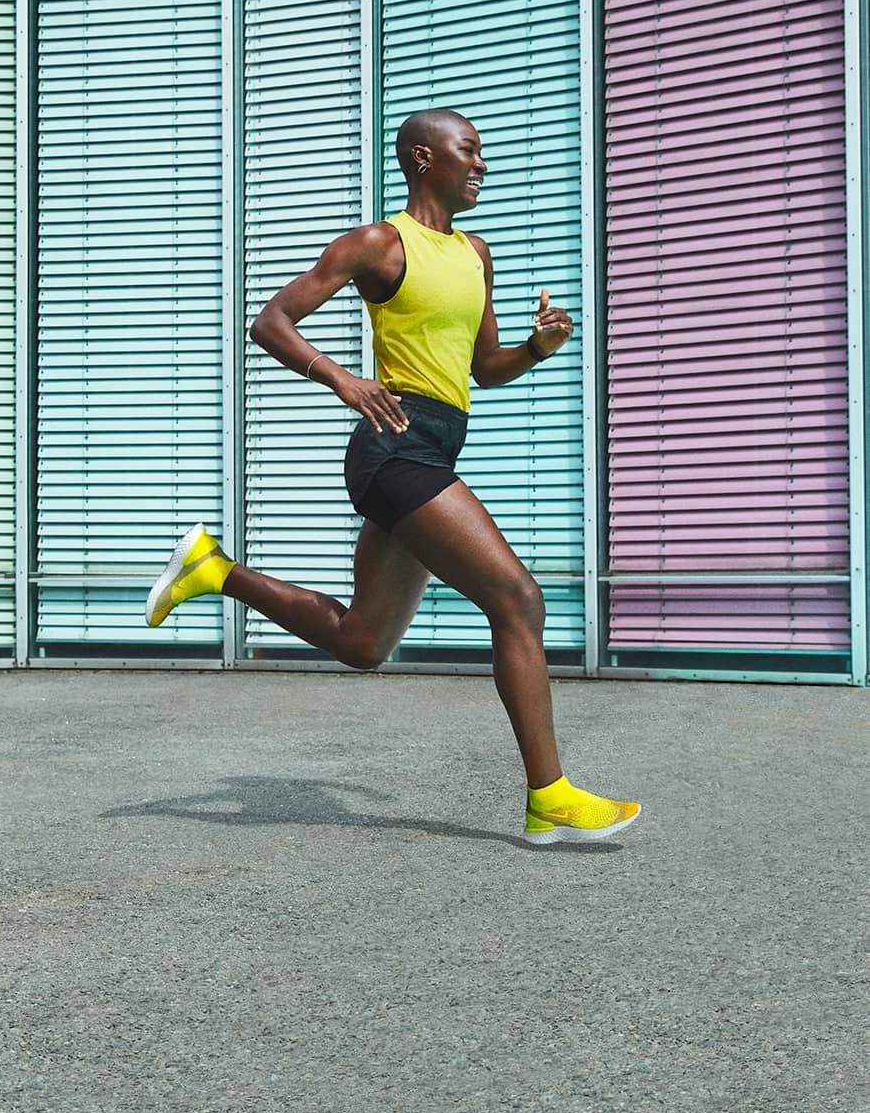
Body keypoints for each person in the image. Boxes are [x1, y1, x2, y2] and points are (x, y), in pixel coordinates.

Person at [145, 108, 640, 845]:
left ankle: (213, 570)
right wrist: (342, 379)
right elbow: (272, 320)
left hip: (437, 445)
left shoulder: (476, 252)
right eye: (468, 151)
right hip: (394, 449)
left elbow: (482, 369)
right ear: (421, 158)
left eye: (482, 152)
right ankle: (551, 799)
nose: (482, 164)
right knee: (518, 598)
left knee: (363, 643)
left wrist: (539, 347)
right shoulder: (380, 243)